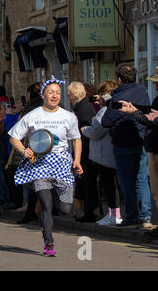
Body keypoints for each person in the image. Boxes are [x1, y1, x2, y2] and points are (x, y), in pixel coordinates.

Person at [9, 77, 83, 257]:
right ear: (43, 95)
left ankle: (62, 199)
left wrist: (77, 160)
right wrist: (23, 150)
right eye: (51, 92)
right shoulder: (33, 116)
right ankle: (48, 242)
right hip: (40, 165)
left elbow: (76, 139)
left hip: (62, 164)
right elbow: (14, 136)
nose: (55, 95)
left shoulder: (68, 116)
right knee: (45, 204)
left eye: (58, 92)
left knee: (65, 209)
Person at [102, 63, 153, 229]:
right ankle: (146, 217)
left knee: (127, 181)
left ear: (118, 79)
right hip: (140, 141)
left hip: (123, 143)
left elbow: (106, 121)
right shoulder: (143, 91)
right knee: (142, 180)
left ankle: (131, 216)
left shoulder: (118, 97)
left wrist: (109, 106)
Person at [118, 66, 158, 237]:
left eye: (157, 83)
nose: (156, 86)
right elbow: (149, 121)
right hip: (155, 149)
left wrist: (157, 119)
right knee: (157, 190)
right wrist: (134, 111)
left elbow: (155, 122)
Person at [81, 81, 122, 225]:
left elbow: (97, 131)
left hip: (105, 154)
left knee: (109, 185)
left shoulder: (105, 111)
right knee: (112, 185)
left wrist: (85, 130)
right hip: (108, 152)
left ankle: (114, 214)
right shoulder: (110, 108)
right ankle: (114, 213)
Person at [68, 82, 99, 222]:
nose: (68, 97)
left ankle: (90, 212)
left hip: (86, 151)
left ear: (74, 95)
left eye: (69, 94)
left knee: (88, 182)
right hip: (84, 151)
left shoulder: (83, 108)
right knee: (85, 182)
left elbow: (84, 130)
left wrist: (79, 155)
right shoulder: (80, 107)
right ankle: (87, 211)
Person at [14, 82, 43, 224]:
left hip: (35, 148)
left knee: (33, 181)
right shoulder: (52, 106)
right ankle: (35, 210)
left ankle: (31, 211)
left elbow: (20, 127)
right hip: (50, 147)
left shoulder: (31, 107)